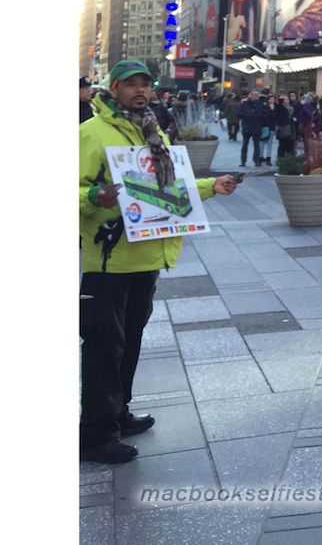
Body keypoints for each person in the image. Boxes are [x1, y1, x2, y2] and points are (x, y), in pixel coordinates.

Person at [80, 60, 240, 464]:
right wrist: (94, 196)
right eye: (130, 84)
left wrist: (212, 186)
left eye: (144, 84)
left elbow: (167, 188)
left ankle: (118, 412)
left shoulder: (153, 131)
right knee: (104, 346)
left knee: (129, 340)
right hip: (109, 261)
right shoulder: (90, 132)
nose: (139, 90)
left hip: (148, 254)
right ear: (113, 89)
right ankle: (94, 434)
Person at [238, 90, 268, 168]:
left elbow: (265, 115)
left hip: (257, 127)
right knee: (245, 145)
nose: (255, 96)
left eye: (257, 95)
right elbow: (239, 114)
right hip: (247, 127)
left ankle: (256, 160)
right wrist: (247, 114)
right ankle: (243, 161)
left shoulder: (261, 105)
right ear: (250, 95)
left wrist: (259, 115)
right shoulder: (245, 104)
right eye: (254, 94)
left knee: (257, 145)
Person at [255, 94, 278, 167]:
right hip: (264, 127)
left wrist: (272, 110)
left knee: (269, 144)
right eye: (270, 99)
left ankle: (268, 158)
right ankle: (260, 157)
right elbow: (264, 117)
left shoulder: (276, 108)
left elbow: (274, 117)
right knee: (262, 143)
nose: (272, 101)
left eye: (273, 99)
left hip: (272, 128)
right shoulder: (264, 107)